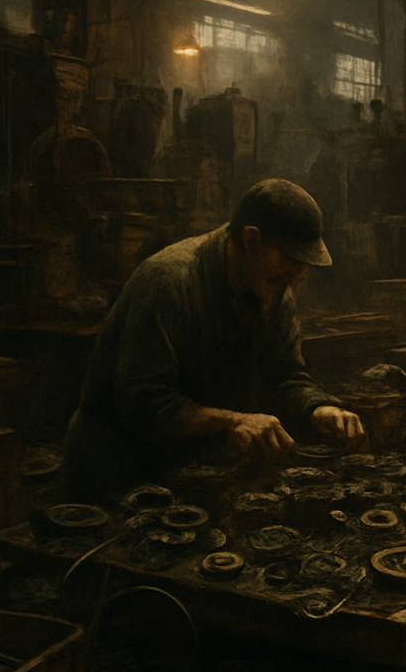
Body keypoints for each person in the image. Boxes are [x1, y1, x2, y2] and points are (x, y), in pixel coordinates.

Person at [63, 179, 366, 498]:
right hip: (117, 476)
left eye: (303, 265)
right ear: (251, 239)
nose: (297, 276)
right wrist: (232, 421)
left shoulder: (273, 290)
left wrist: (317, 409)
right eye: (290, 259)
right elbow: (142, 403)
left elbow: (283, 376)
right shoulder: (169, 283)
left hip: (192, 473)